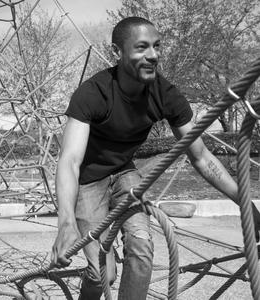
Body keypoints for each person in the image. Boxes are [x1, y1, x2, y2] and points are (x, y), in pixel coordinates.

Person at [50, 16, 260, 300]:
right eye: (141, 47)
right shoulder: (93, 94)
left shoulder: (165, 94)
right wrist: (65, 223)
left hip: (125, 173)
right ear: (117, 52)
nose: (153, 55)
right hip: (88, 181)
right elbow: (70, 161)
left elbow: (201, 157)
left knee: (142, 248)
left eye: (157, 46)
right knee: (103, 274)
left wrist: (245, 203)